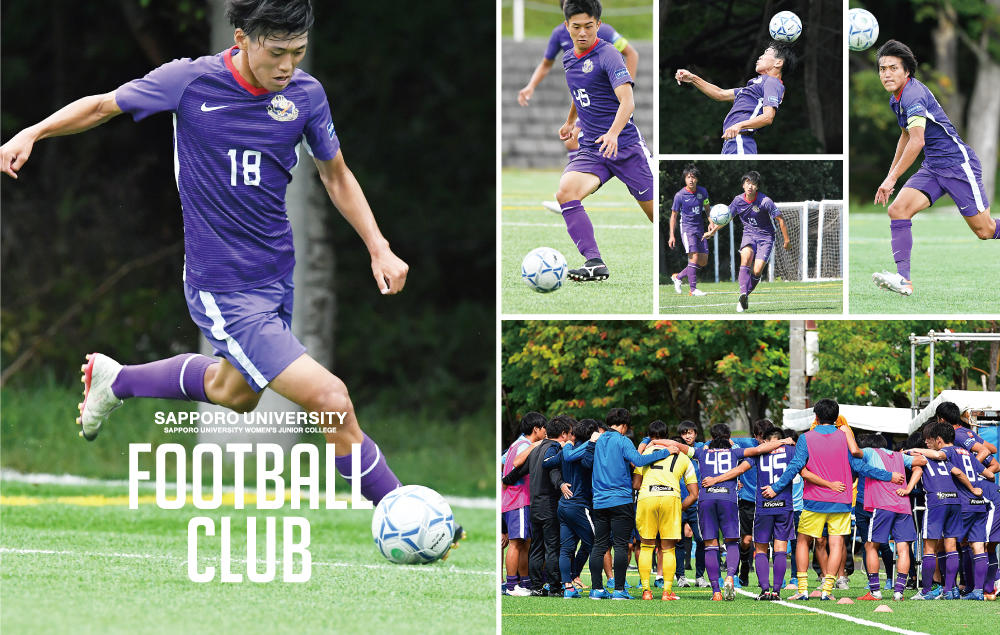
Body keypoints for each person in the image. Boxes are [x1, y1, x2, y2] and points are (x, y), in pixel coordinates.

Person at [0, 0, 423, 514]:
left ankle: (120, 380)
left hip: (274, 279)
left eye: (299, 53)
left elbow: (335, 174)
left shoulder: (306, 96)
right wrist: (33, 131)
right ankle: (404, 513)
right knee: (331, 401)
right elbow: (101, 106)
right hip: (223, 285)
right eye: (277, 53)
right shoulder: (189, 82)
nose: (288, 67)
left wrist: (379, 247)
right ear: (242, 38)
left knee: (235, 392)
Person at [869, 40, 999, 297]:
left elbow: (918, 141)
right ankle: (904, 280)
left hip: (958, 166)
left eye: (893, 68)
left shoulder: (913, 95)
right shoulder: (896, 99)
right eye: (882, 69)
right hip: (934, 167)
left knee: (985, 231)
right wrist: (889, 176)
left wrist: (892, 179)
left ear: (906, 71)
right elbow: (906, 136)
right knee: (898, 209)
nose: (886, 74)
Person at [762, 399, 904, 601]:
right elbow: (861, 468)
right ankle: (827, 591)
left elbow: (795, 467)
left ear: (816, 417)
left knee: (803, 541)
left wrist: (775, 488)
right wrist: (888, 476)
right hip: (842, 500)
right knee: (837, 544)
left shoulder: (806, 438)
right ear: (837, 418)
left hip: (814, 500)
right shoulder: (845, 437)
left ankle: (802, 589)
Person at [555, 0, 654, 283]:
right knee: (565, 193)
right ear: (567, 27)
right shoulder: (568, 58)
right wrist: (570, 120)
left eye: (588, 26)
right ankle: (594, 262)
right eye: (576, 27)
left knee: (657, 216)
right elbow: (579, 91)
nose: (582, 33)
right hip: (593, 150)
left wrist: (612, 133)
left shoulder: (609, 54)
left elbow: (628, 101)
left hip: (626, 148)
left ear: (598, 24)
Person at [681, 423, 792, 601]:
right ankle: (736, 578)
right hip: (772, 503)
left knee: (712, 544)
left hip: (718, 500)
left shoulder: (702, 451)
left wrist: (653, 441)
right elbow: (801, 469)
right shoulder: (782, 451)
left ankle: (717, 591)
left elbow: (678, 446)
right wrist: (786, 441)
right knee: (745, 544)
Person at [588, 408, 674, 600]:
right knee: (620, 545)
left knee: (599, 545)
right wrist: (666, 452)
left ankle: (597, 589)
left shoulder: (597, 441)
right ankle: (619, 590)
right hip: (620, 499)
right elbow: (638, 460)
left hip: (599, 500)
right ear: (624, 425)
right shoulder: (623, 440)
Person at [906, 422, 997, 600]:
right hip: (978, 503)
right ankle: (978, 591)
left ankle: (948, 588)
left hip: (961, 503)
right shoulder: (968, 454)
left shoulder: (948, 452)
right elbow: (991, 475)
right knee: (978, 547)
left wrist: (911, 450)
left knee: (942, 546)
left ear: (939, 440)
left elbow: (939, 457)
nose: (927, 444)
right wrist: (976, 486)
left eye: (929, 440)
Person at [674, 43, 793, 154]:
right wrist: (692, 78)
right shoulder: (754, 87)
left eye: (766, 53)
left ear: (778, 63)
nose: (760, 57)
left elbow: (768, 117)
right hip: (731, 141)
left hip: (741, 139)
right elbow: (719, 94)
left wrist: (739, 125)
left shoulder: (772, 82)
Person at [502, 415, 573, 596]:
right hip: (548, 504)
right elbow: (553, 471)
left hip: (533, 505)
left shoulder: (535, 449)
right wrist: (561, 484)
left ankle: (534, 586)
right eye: (570, 434)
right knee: (551, 547)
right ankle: (554, 587)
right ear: (563, 434)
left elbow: (519, 470)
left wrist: (505, 480)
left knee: (536, 547)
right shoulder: (555, 449)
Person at [703, 171, 790, 313]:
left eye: (753, 184)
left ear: (757, 187)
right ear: (743, 185)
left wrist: (786, 240)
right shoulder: (738, 201)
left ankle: (744, 297)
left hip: (766, 237)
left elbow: (780, 219)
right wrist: (713, 231)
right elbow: (727, 217)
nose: (750, 186)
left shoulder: (765, 201)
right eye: (748, 183)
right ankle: (743, 293)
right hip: (749, 234)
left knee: (756, 270)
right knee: (746, 257)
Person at [854, 433, 926, 602]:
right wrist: (908, 488)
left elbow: (854, 451)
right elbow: (921, 464)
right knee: (903, 549)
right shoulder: (900, 456)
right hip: (903, 505)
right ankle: (899, 592)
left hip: (883, 504)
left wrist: (845, 431)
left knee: (871, 545)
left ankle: (875, 591)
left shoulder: (870, 453)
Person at [632, 420, 699, 600]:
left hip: (647, 497)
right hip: (671, 498)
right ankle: (667, 591)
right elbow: (694, 493)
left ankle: (646, 591)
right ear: (668, 434)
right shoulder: (683, 456)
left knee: (646, 546)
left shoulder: (645, 453)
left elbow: (636, 484)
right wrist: (680, 506)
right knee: (668, 548)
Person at [501, 412, 547, 595]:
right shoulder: (523, 445)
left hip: (521, 501)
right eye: (544, 428)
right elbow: (513, 468)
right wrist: (536, 445)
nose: (545, 432)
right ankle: (512, 586)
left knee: (525, 542)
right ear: (536, 429)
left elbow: (503, 461)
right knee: (515, 543)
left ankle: (524, 582)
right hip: (517, 500)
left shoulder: (517, 444)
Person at [558, 418, 598, 598]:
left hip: (563, 505)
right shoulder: (589, 450)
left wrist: (559, 483)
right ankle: (598, 587)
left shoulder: (568, 448)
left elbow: (547, 463)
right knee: (596, 545)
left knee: (566, 549)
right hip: (579, 505)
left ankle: (568, 586)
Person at [668, 165, 710, 297]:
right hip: (687, 228)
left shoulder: (702, 192)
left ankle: (678, 277)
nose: (691, 180)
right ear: (685, 179)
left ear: (697, 179)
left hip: (700, 228)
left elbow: (708, 209)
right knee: (694, 257)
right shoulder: (680, 195)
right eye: (688, 177)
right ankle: (693, 289)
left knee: (703, 261)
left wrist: (711, 222)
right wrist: (671, 235)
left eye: (693, 177)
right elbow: (673, 215)